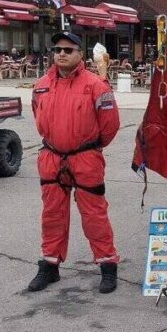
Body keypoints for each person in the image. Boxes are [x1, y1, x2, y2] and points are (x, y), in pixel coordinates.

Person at [27, 32, 121, 294]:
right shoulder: (41, 85)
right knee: (52, 215)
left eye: (68, 50)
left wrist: (87, 148)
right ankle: (49, 266)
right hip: (51, 158)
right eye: (57, 49)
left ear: (81, 54)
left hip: (85, 158)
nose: (62, 54)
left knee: (94, 215)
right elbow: (38, 116)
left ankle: (107, 266)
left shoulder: (97, 86)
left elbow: (110, 126)